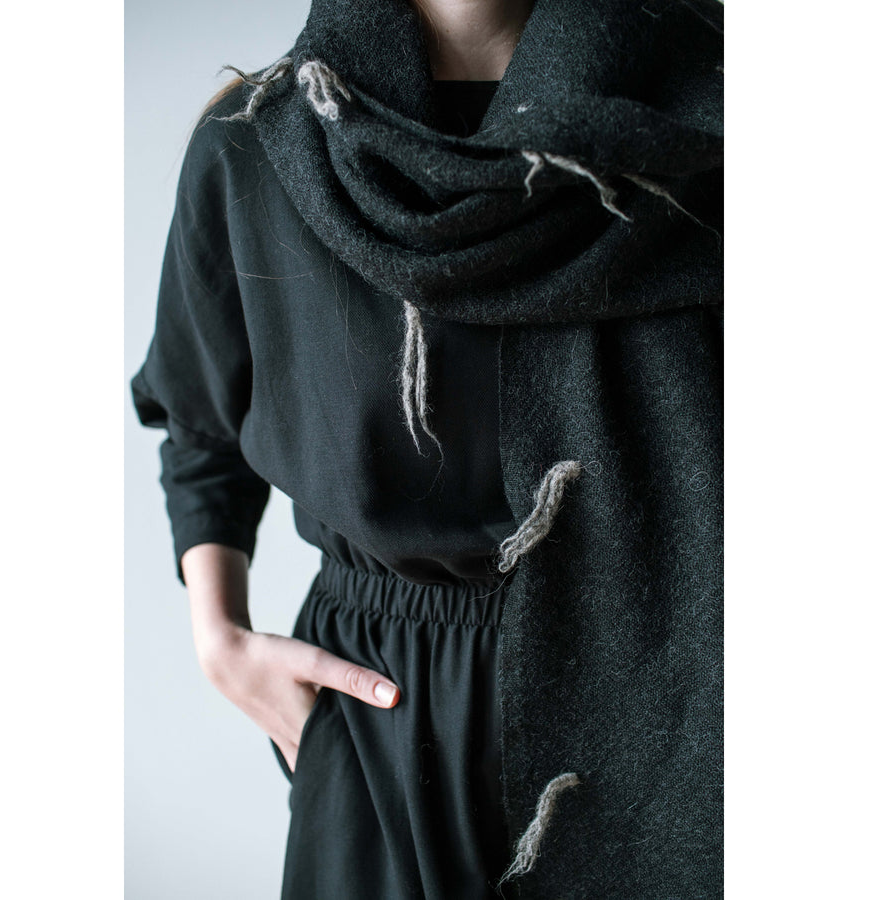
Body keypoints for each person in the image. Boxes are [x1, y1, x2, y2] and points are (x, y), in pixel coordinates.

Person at [130, 0, 724, 898]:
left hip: (674, 706)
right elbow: (200, 419)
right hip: (384, 718)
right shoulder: (258, 145)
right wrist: (221, 640)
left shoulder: (711, 127)